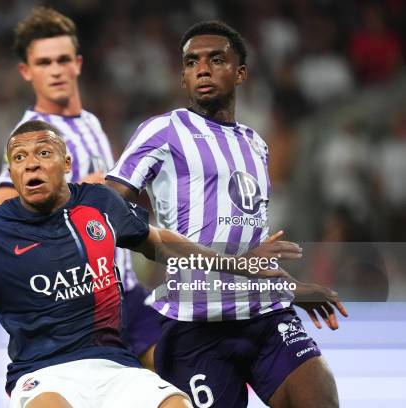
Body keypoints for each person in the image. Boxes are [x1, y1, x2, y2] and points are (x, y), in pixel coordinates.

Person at [0, 120, 302, 408]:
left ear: (66, 163)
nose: (31, 163)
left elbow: (158, 244)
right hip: (44, 374)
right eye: (19, 158)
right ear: (12, 174)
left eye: (43, 153)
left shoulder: (97, 202)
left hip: (116, 366)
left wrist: (238, 265)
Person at [106, 21, 348, 408]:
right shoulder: (163, 131)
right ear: (183, 77)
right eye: (191, 62)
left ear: (240, 73)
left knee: (320, 396)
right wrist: (154, 243)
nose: (202, 68)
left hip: (265, 317)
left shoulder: (256, 144)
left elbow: (253, 250)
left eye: (216, 59)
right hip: (195, 327)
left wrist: (292, 289)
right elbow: (108, 206)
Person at [0, 7, 160, 369]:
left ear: (78, 63)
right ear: (26, 71)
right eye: (44, 62)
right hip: (85, 307)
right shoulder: (31, 136)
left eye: (63, 59)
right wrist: (78, 191)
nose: (55, 70)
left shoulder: (90, 123)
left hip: (127, 291)